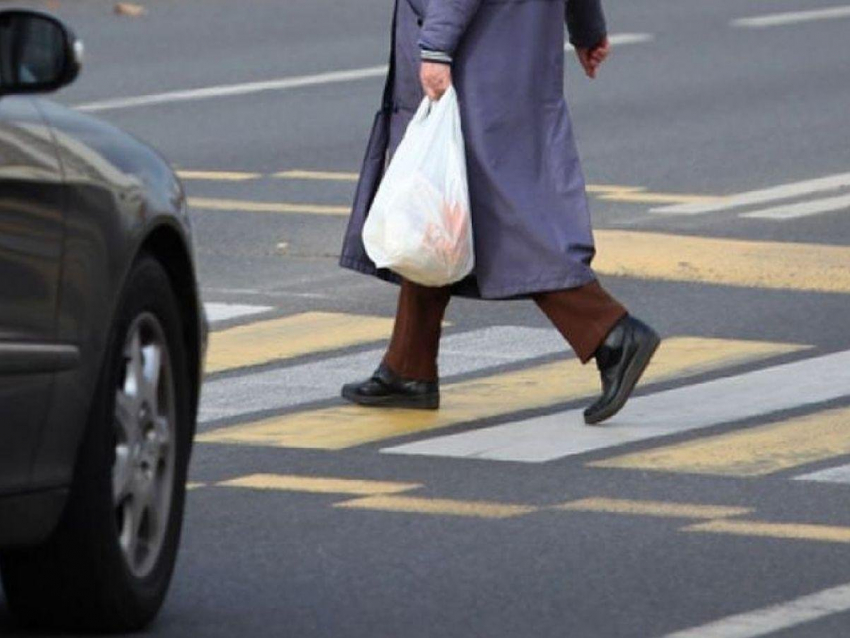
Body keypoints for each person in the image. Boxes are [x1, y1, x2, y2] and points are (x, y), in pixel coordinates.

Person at [339, 0, 659, 425]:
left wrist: (436, 47)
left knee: (499, 217)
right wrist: (586, 27)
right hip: (514, 55)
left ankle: (611, 333)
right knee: (440, 214)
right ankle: (408, 367)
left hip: (476, 56)